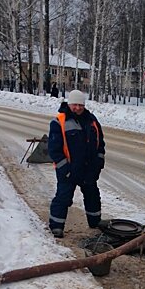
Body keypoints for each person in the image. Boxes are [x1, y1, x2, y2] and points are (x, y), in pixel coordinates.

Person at [48, 89, 105, 238]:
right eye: (75, 105)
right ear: (69, 103)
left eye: (81, 105)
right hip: (69, 170)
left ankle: (95, 223)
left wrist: (99, 163)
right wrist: (65, 169)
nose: (78, 108)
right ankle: (56, 226)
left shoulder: (92, 121)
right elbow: (54, 150)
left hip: (89, 169)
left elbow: (100, 144)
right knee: (63, 197)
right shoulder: (59, 121)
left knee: (93, 197)